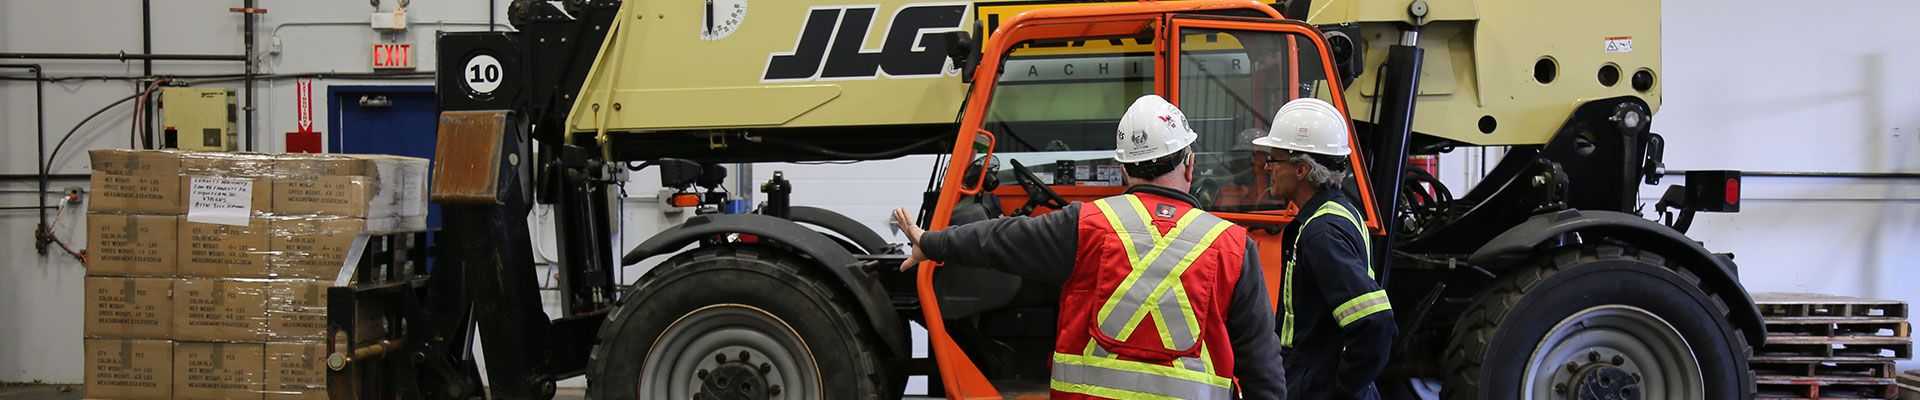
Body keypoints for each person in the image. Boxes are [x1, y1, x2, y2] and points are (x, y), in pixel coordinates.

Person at [891, 95, 1286, 400]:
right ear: (1189, 164)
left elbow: (998, 240)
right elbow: (1261, 366)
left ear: (1125, 168)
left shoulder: (1084, 224)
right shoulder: (1232, 246)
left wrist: (930, 242)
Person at [1253, 98, 1396, 400]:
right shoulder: (1337, 212)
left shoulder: (1321, 233)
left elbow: (1375, 323)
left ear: (1302, 169)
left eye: (1274, 160)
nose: (1268, 168)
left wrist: (1339, 392)